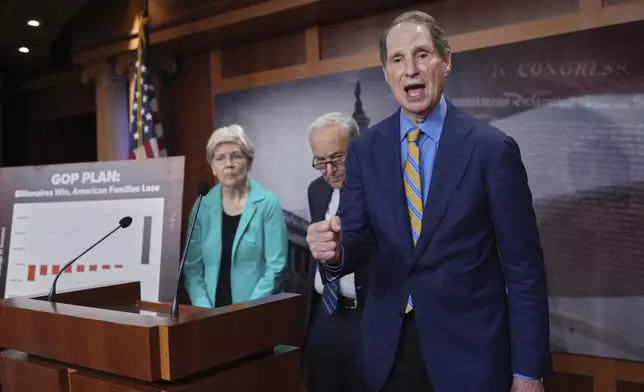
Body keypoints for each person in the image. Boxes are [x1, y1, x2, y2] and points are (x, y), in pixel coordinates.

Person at [305, 10, 551, 392]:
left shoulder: (491, 150)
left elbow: (524, 269)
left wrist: (528, 371)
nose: (411, 70)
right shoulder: (366, 150)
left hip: (470, 355)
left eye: (422, 54)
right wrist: (336, 252)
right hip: (389, 355)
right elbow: (358, 240)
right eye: (398, 60)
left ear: (445, 60)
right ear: (386, 73)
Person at [304, 113, 374, 392]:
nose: (329, 170)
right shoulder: (316, 191)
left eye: (337, 158)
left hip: (365, 317)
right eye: (320, 161)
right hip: (325, 315)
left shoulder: (378, 191)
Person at [183, 124, 288, 308]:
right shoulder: (202, 205)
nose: (228, 165)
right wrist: (203, 309)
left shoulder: (267, 203)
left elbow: (276, 268)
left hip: (256, 312)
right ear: (213, 167)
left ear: (249, 163)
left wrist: (245, 312)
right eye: (220, 158)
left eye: (236, 156)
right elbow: (192, 268)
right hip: (209, 316)